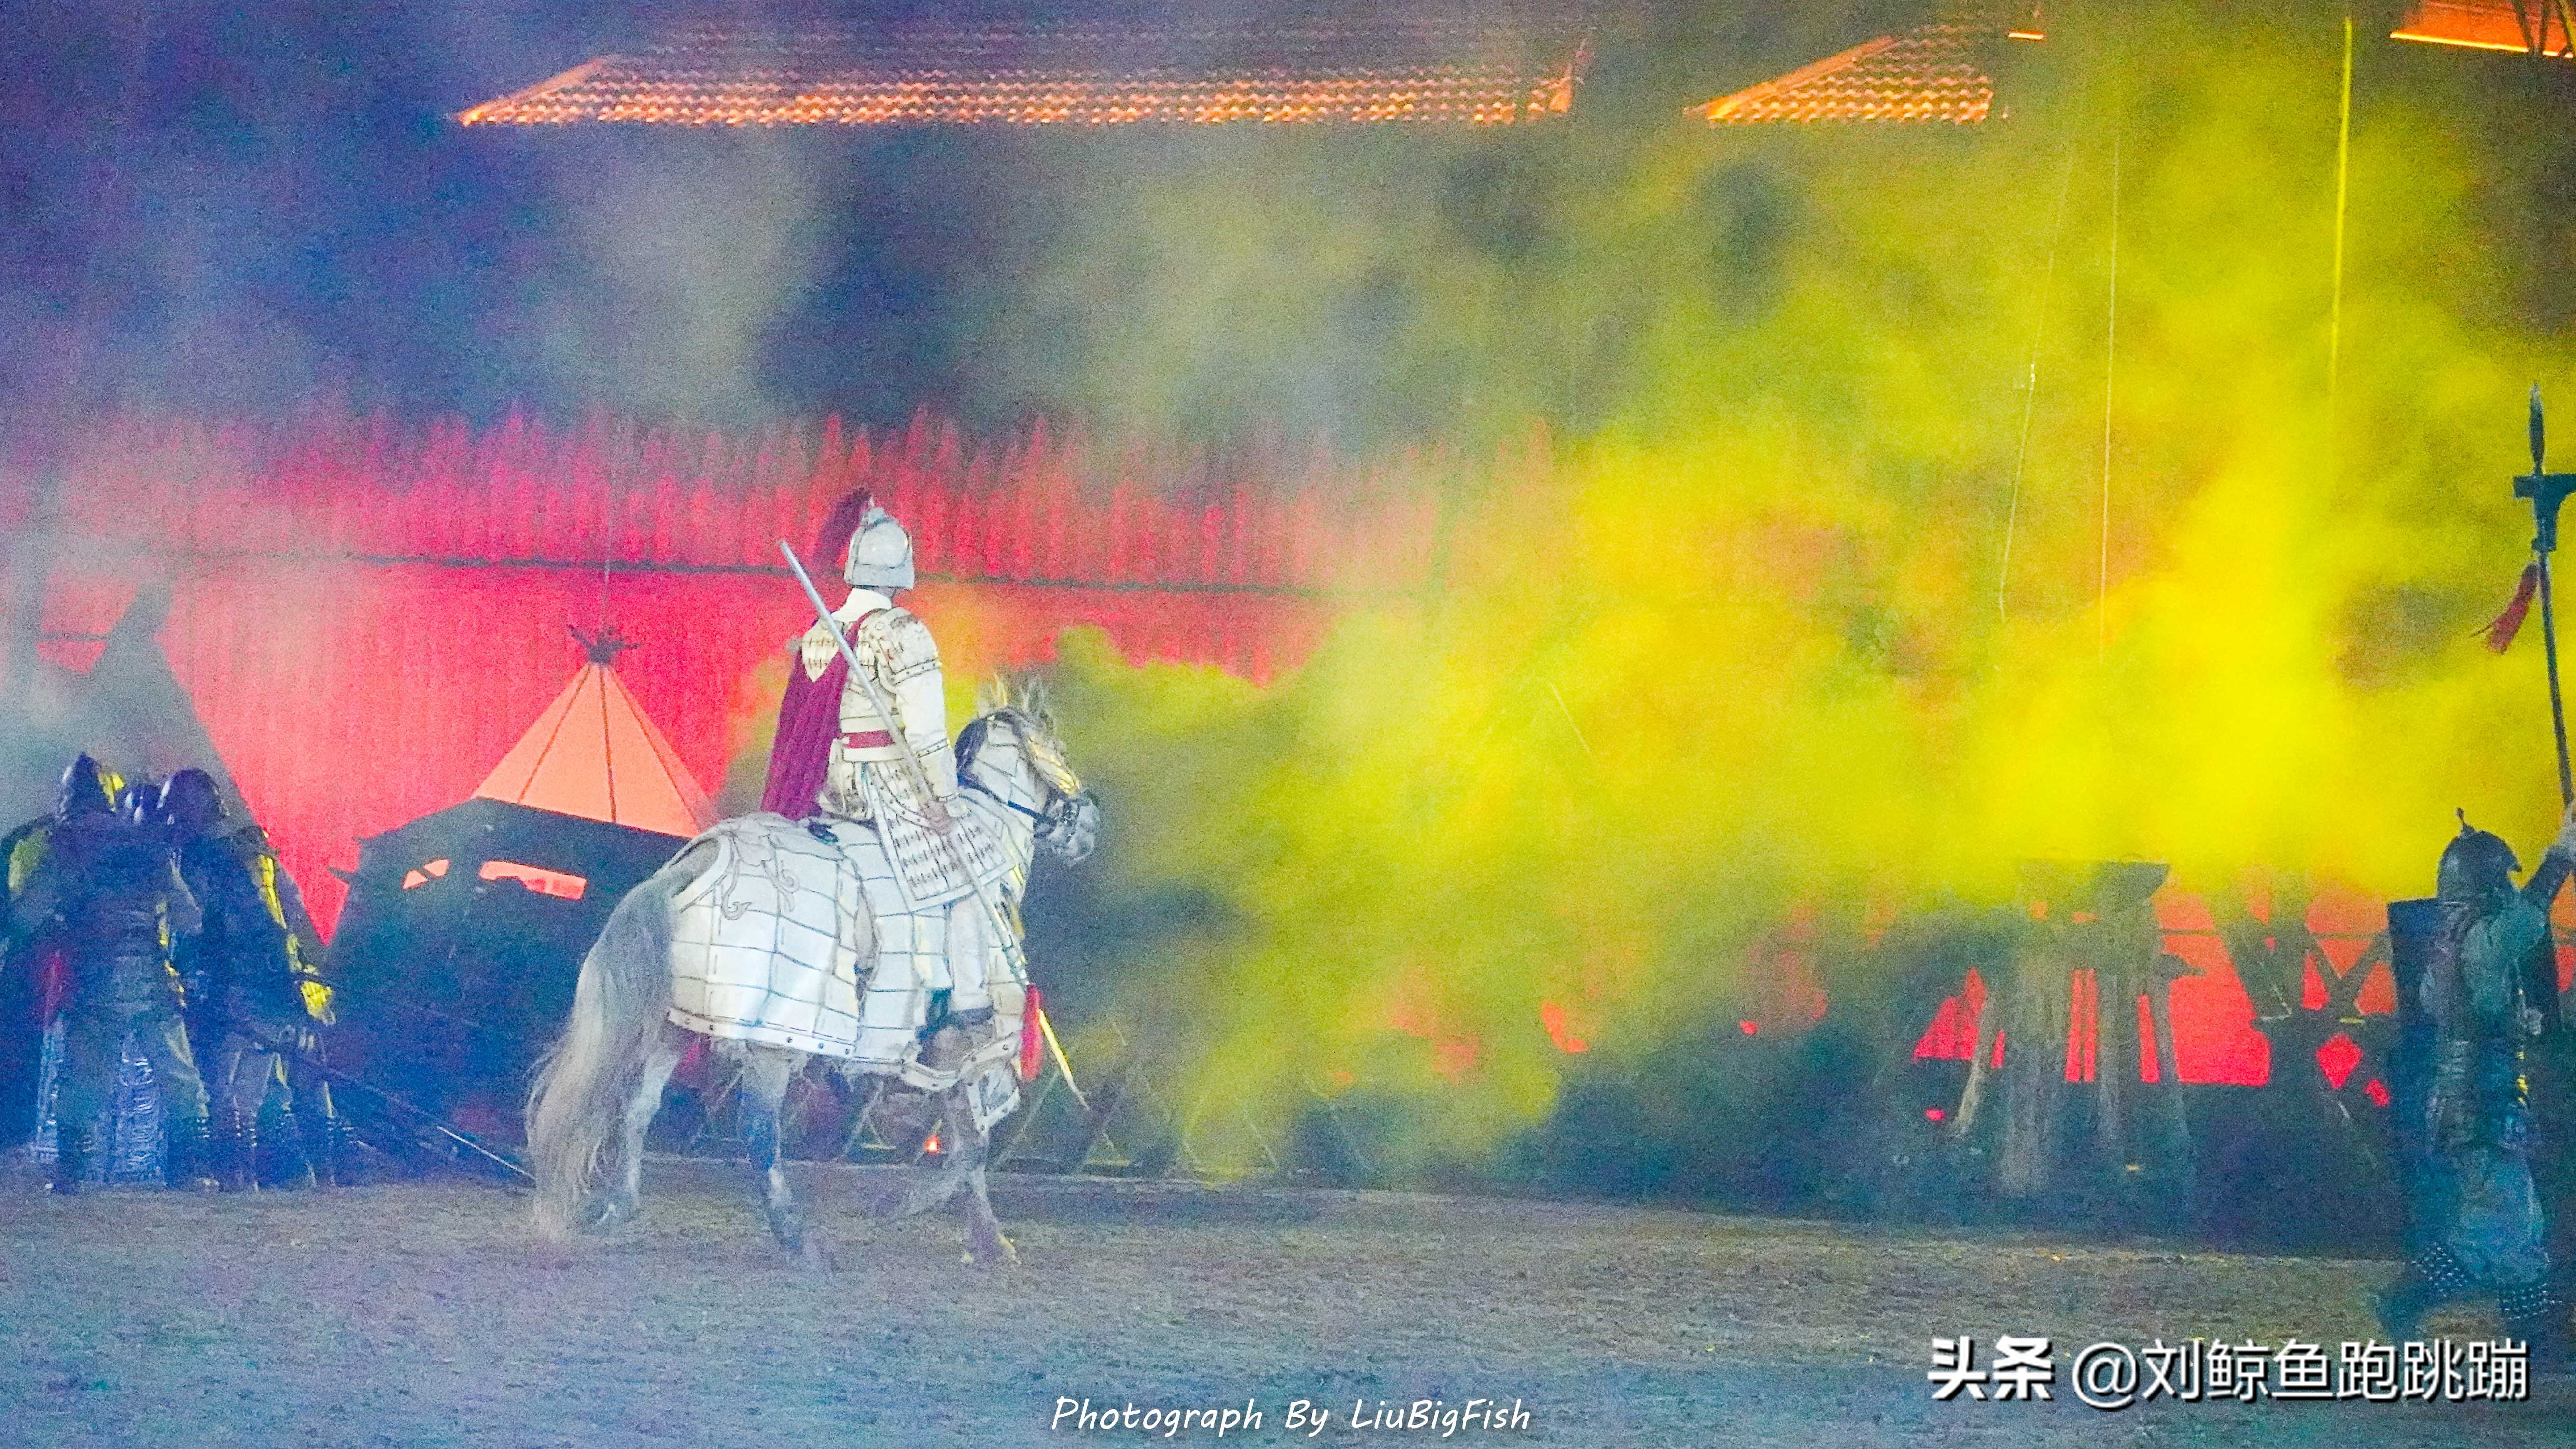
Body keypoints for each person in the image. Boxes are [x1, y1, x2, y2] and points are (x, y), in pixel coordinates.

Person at [761, 502, 1013, 1053]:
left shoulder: (822, 630)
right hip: (884, 789)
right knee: (977, 868)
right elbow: (925, 736)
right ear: (901, 572)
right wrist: (945, 798)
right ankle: (967, 1001)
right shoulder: (905, 632)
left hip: (827, 783)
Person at [2378, 808, 2576, 1362]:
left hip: (2472, 1094)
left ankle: (2534, 1337)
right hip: (2480, 1100)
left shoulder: (2448, 943)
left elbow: (2463, 1011)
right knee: (2497, 1228)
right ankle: (2406, 1300)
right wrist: (2561, 854)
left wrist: (2513, 1023)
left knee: (2521, 1220)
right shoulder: (2482, 940)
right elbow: (2527, 921)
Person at [10, 755, 218, 1193]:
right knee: (181, 1080)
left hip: (94, 984)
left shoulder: (66, 851)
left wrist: (56, 924)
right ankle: (190, 1174)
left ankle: (74, 1177)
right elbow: (189, 919)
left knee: (84, 1083)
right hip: (151, 982)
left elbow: (25, 916)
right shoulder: (148, 849)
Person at [160, 769, 350, 1190]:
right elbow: (295, 919)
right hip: (276, 988)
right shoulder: (256, 854)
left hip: (231, 987)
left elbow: (192, 927)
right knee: (257, 1092)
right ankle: (290, 1175)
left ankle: (239, 1177)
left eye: (179, 807)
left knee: (224, 1088)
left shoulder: (197, 859)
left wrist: (186, 978)